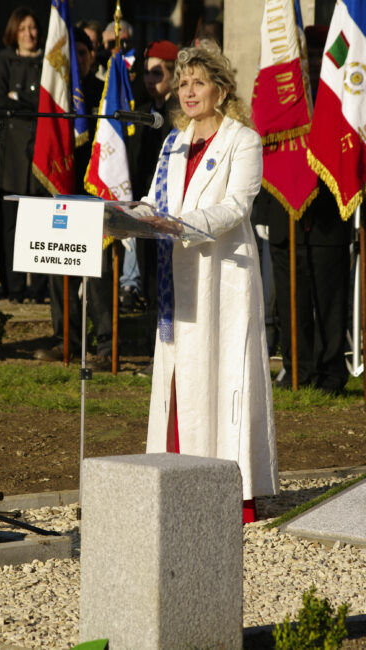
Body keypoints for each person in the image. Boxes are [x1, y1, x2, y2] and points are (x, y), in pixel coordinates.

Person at [134, 41, 279, 522]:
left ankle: (229, 494)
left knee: (220, 379)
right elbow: (155, 199)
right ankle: (177, 482)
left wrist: (184, 224)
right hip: (179, 280)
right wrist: (128, 215)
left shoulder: (243, 140)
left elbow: (238, 205)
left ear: (221, 88)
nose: (188, 91)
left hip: (223, 283)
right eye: (182, 82)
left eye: (198, 82)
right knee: (180, 381)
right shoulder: (174, 139)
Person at [255, 25, 351, 394]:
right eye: (303, 55)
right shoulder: (280, 94)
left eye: (314, 55)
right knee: (291, 299)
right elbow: (264, 146)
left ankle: (331, 373)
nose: (308, 63)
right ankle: (298, 369)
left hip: (328, 212)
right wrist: (263, 211)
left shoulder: (340, 99)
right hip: (283, 210)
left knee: (330, 298)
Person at [34, 27, 113, 367]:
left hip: (94, 192)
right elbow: (38, 141)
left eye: (83, 53)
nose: (78, 60)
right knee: (59, 269)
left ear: (92, 56)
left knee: (98, 274)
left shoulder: (104, 92)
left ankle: (106, 346)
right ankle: (66, 341)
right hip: (62, 192)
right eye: (72, 55)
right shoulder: (54, 96)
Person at [0, 6, 47, 303]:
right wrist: (26, 102)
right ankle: (14, 288)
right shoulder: (4, 60)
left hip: (39, 154)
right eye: (22, 28)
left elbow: (46, 102)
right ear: (14, 32)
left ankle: (38, 289)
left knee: (39, 224)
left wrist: (18, 97)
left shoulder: (48, 62)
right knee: (11, 226)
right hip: (10, 156)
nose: (28, 34)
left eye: (32, 28)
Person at [124, 39, 179, 313]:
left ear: (173, 74)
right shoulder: (143, 111)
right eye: (146, 72)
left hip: (171, 202)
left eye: (158, 73)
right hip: (144, 199)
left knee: (166, 273)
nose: (149, 79)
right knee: (146, 271)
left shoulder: (180, 112)